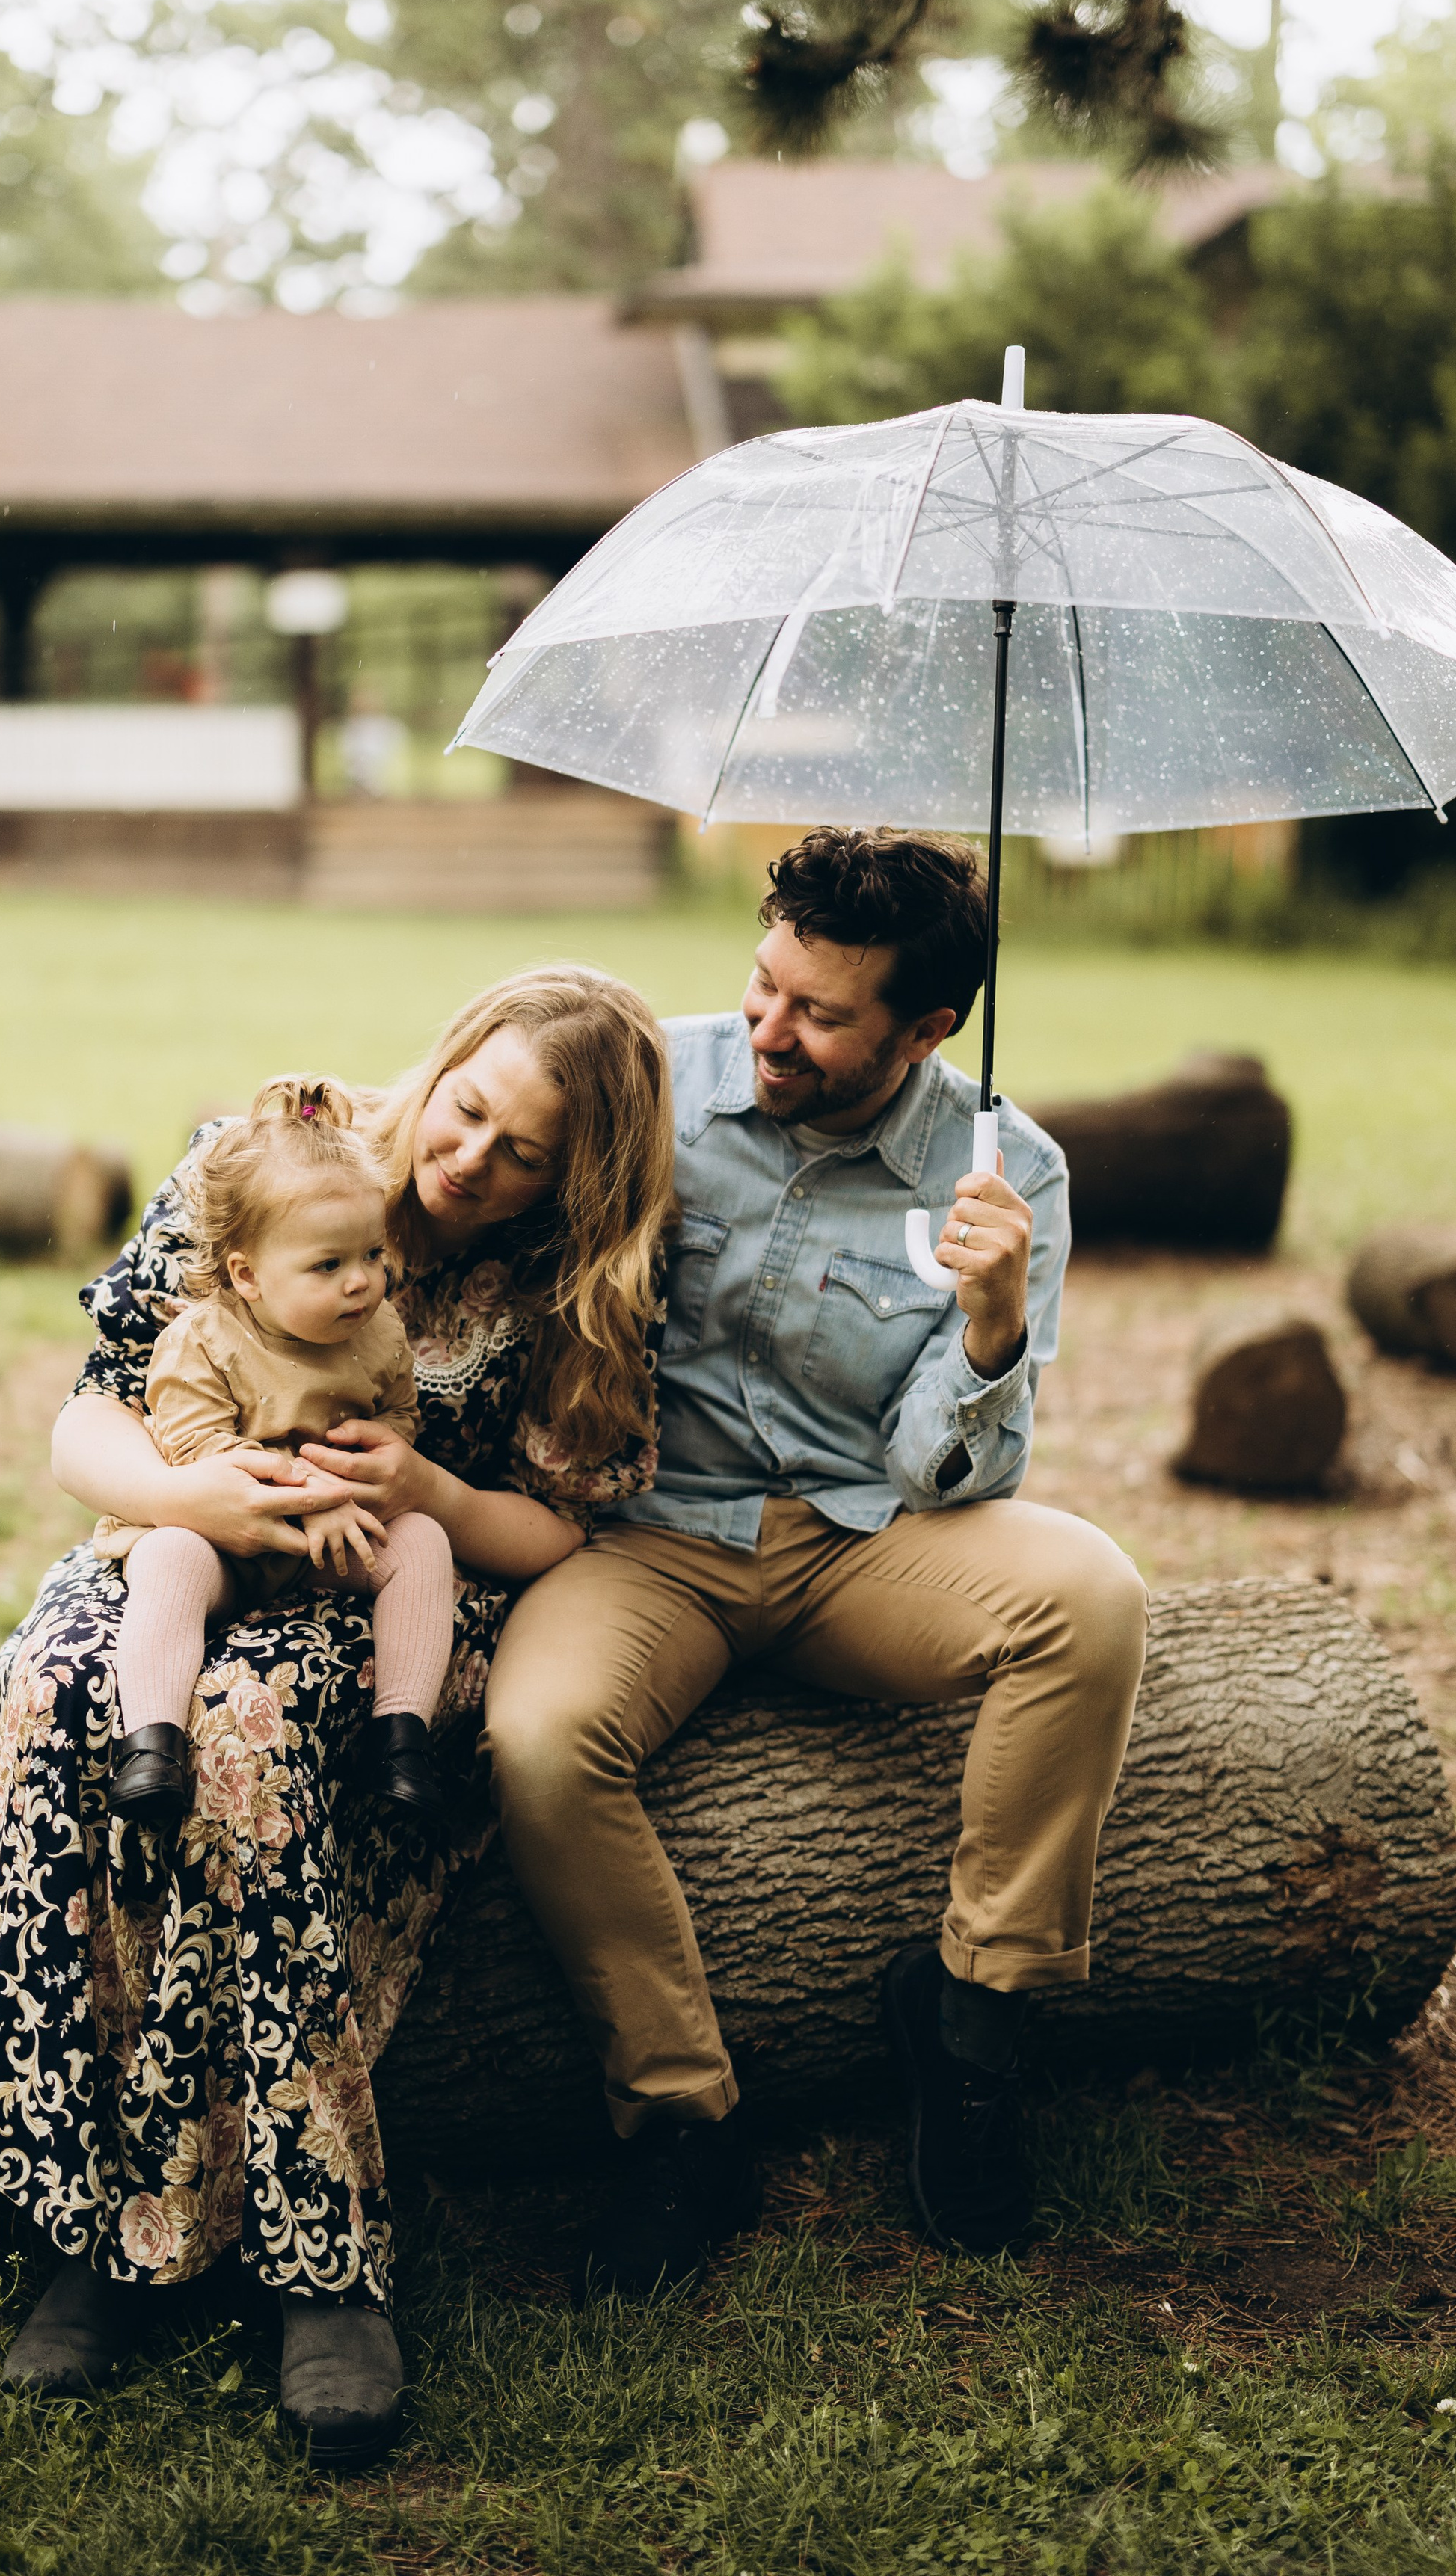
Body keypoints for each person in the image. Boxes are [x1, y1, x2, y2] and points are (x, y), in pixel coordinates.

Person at [0, 965, 673, 2461]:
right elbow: (88, 1411)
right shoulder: (266, 1155)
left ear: (574, 1181)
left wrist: (429, 1489)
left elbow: (567, 1532)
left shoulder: (573, 1282)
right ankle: (92, 2220)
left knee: (246, 1746)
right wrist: (185, 1493)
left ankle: (320, 2265)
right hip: (179, 1536)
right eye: (467, 1112)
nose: (468, 1163)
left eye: (524, 1155)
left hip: (395, 1595)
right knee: (59, 1691)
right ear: (438, 1068)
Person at [475, 828, 1149, 2295]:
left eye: (820, 1015)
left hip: (863, 1541)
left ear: (925, 1028)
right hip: (649, 1538)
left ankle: (972, 2009)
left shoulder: (1004, 1172)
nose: (769, 1033)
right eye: (763, 987)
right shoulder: (648, 1083)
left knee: (1088, 1597)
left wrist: (984, 1328)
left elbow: (943, 1470)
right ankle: (677, 2119)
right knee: (534, 1740)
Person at [97, 1075, 456, 1834]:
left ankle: (401, 1740)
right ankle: (151, 1744)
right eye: (327, 1266)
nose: (360, 1281)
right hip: (226, 1536)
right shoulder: (203, 1340)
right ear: (247, 1276)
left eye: (370, 1253)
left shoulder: (380, 1331)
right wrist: (311, 1492)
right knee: (168, 1559)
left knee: (423, 1541)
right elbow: (195, 1444)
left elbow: (396, 1414)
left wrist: (382, 1453)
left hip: (334, 1538)